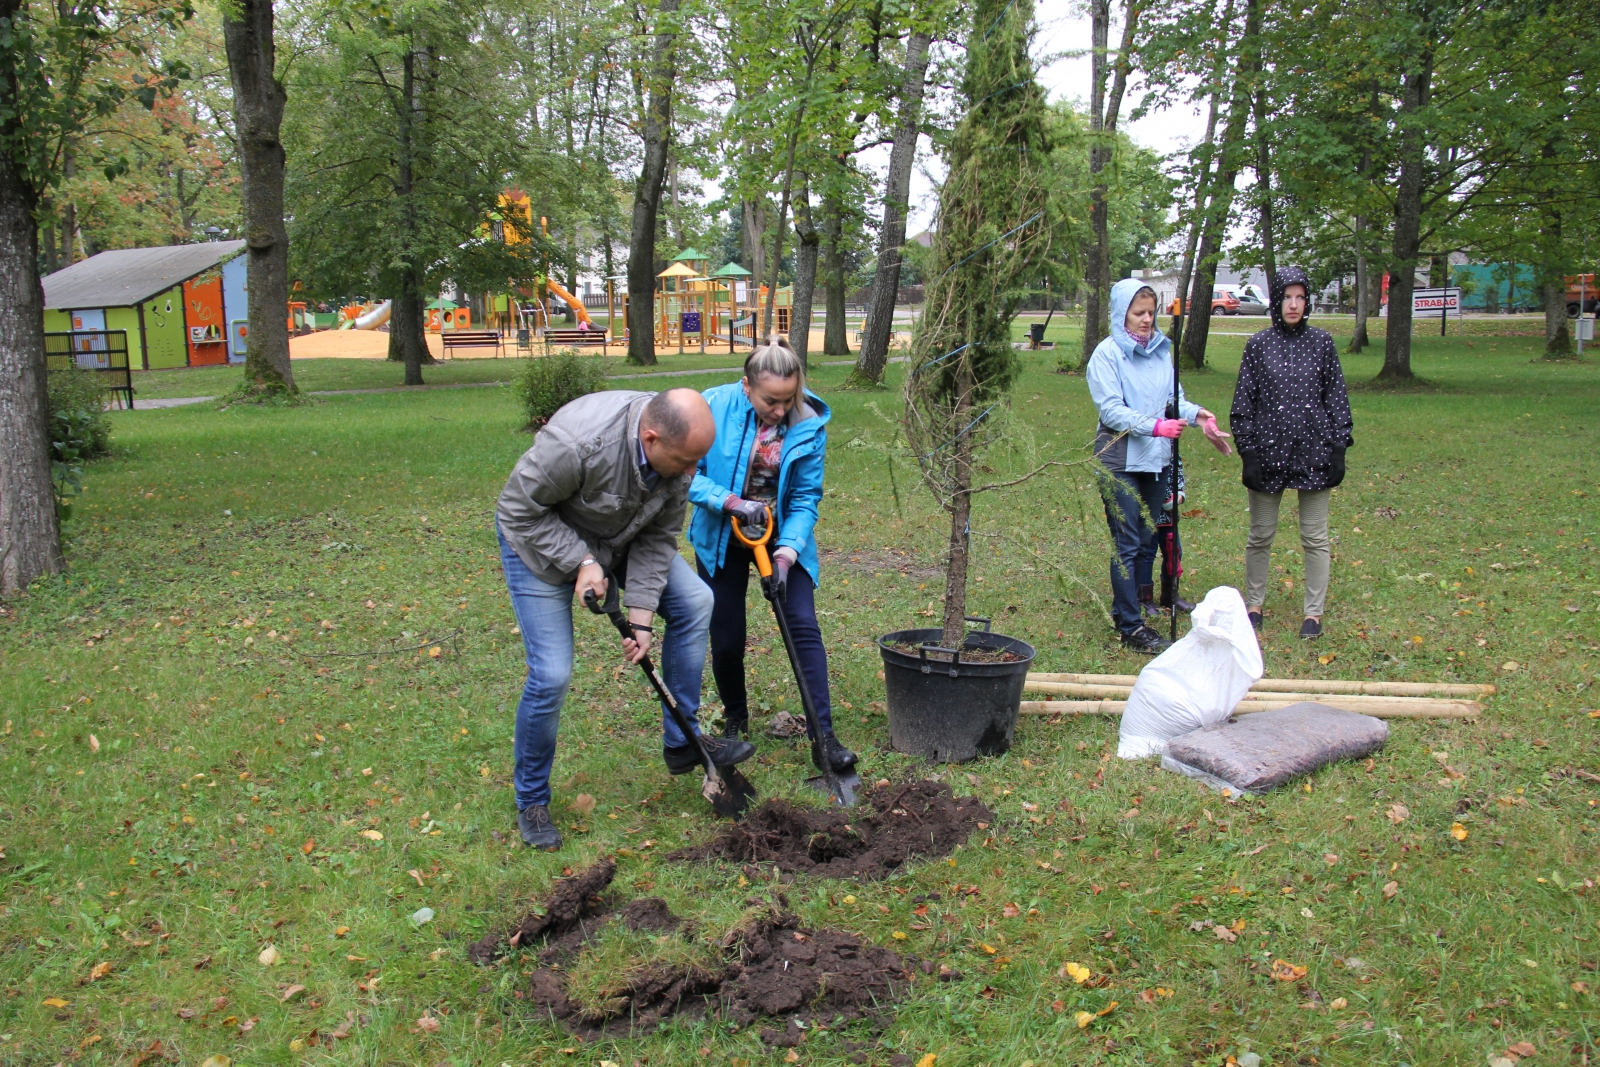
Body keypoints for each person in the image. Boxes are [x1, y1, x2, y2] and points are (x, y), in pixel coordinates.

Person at [495, 388, 753, 850]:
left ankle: (682, 741)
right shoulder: (578, 443)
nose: (693, 474)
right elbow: (517, 509)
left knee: (695, 602)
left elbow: (658, 539)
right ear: (650, 439)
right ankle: (531, 799)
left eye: (699, 461)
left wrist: (641, 619)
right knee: (551, 674)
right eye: (685, 461)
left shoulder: (676, 458)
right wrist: (581, 561)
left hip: (621, 537)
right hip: (537, 546)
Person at [687, 338, 857, 773]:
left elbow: (804, 498)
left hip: (780, 537)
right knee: (726, 635)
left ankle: (824, 736)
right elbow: (687, 473)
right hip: (723, 533)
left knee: (802, 624)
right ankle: (735, 718)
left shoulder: (808, 422)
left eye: (789, 399)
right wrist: (729, 502)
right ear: (747, 386)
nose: (781, 410)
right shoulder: (712, 407)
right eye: (770, 401)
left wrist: (785, 555)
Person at [1088, 278, 1233, 654]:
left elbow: (1175, 399)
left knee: (1149, 536)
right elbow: (1111, 409)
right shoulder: (1106, 355)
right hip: (1119, 459)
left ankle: (1136, 606)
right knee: (1128, 541)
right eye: (1138, 313)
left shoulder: (1160, 352)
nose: (1146, 320)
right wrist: (1155, 426)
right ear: (1123, 314)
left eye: (1151, 312)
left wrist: (1201, 418)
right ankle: (1130, 625)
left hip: (1155, 459)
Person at [1229, 266, 1353, 640]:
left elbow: (1336, 399)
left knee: (1315, 537)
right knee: (1261, 534)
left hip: (1313, 453)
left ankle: (1312, 613)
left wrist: (1338, 449)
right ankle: (1254, 605)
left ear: (1308, 302)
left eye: (1300, 297)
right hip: (1267, 454)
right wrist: (1248, 453)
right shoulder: (1258, 345)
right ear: (1277, 301)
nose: (1293, 305)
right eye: (1287, 297)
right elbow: (1243, 405)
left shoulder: (1322, 343)